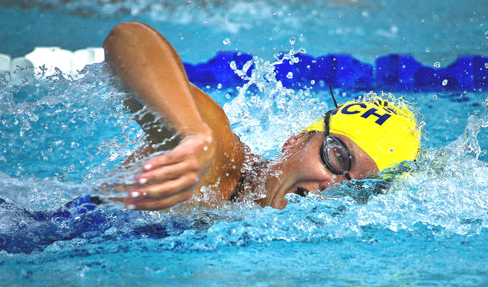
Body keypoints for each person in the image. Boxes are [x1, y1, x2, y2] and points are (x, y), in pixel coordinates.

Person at [103, 22, 421, 211]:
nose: (332, 185)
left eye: (358, 188)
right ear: (295, 140)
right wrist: (192, 133)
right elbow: (128, 39)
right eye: (338, 158)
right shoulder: (218, 162)